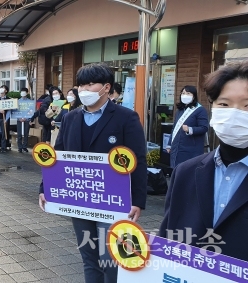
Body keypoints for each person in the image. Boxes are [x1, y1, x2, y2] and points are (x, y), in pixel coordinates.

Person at [39, 63, 147, 283]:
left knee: (110, 258)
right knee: (89, 256)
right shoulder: (70, 117)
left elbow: (139, 159)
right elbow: (58, 155)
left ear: (106, 87)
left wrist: (138, 200)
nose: (84, 89)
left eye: (90, 84)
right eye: (81, 84)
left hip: (112, 200)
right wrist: (46, 188)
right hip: (80, 198)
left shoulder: (126, 117)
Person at [159, 61, 248, 261]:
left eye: (247, 105)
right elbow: (168, 237)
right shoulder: (185, 172)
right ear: (213, 107)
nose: (235, 113)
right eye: (224, 104)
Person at [165, 85, 209, 168]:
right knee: (175, 172)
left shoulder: (200, 110)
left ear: (194, 96)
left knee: (187, 173)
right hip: (176, 148)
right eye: (183, 93)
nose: (185, 95)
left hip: (191, 149)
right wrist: (169, 144)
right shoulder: (180, 110)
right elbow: (174, 129)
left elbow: (204, 128)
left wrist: (190, 129)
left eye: (188, 93)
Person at [16, 87, 32, 152]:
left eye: (24, 92)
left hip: (26, 120)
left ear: (27, 93)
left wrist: (27, 118)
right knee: (19, 134)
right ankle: (19, 147)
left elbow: (31, 111)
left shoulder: (29, 102)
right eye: (22, 91)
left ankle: (24, 146)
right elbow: (15, 111)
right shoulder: (18, 101)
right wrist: (19, 118)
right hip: (19, 120)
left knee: (26, 134)